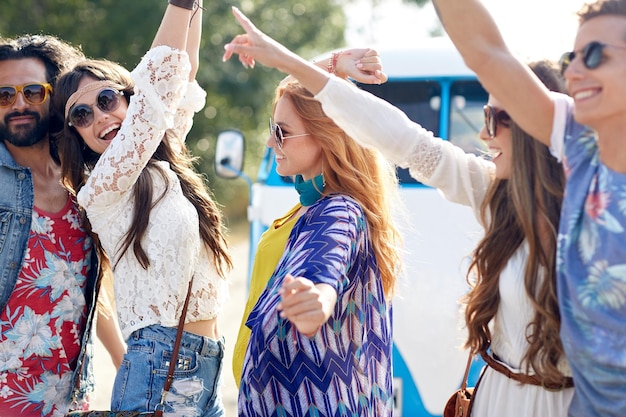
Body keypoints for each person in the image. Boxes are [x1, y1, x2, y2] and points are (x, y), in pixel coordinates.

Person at [222, 7, 578, 417]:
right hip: (495, 400)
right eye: (483, 116)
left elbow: (326, 267)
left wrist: (319, 297)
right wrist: (292, 60)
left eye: (497, 119)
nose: (482, 134)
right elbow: (408, 141)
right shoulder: (494, 193)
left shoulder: (596, 211)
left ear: (542, 124)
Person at [430, 0, 626, 416]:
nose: (573, 73)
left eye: (594, 56)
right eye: (573, 58)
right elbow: (486, 51)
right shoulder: (577, 139)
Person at [52, 0, 232, 415]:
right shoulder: (101, 189)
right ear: (76, 135)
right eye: (81, 114)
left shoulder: (158, 157)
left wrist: (194, 6)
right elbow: (157, 90)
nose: (100, 116)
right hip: (160, 368)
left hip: (206, 365)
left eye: (108, 98)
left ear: (127, 99)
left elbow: (181, 74)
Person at [224, 11, 402, 416]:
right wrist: (335, 64)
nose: (270, 141)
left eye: (281, 132)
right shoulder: (314, 202)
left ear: (327, 137)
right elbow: (298, 98)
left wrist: (318, 298)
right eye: (273, 128)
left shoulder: (337, 209)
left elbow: (325, 265)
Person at [0, 34, 125, 416]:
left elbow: (82, 285)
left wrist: (123, 361)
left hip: (70, 399)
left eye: (33, 92)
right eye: (4, 95)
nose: (18, 104)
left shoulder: (84, 180)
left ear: (55, 98)